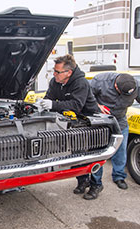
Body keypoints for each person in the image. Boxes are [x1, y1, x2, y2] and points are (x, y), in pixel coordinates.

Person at [38, 54, 102, 200]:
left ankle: (96, 184)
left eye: (57, 72)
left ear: (68, 73)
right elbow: (50, 97)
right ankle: (82, 180)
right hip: (73, 122)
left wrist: (54, 105)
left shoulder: (81, 83)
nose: (54, 74)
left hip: (90, 122)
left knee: (94, 154)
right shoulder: (55, 82)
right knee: (77, 153)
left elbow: (76, 105)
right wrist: (43, 103)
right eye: (54, 71)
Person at [90, 72, 140, 191]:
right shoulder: (100, 81)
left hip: (120, 120)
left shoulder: (137, 86)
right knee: (98, 151)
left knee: (120, 150)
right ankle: (96, 181)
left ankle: (119, 176)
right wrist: (98, 105)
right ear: (116, 87)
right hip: (100, 121)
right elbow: (86, 96)